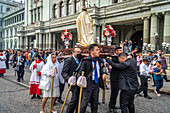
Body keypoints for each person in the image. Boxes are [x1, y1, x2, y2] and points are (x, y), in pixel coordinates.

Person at [77, 44, 107, 113]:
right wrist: (81, 79)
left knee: (95, 103)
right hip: (88, 84)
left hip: (96, 84)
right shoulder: (86, 61)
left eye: (98, 50)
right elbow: (79, 73)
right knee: (84, 103)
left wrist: (103, 73)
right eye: (97, 50)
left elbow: (102, 69)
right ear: (91, 51)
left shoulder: (99, 60)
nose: (99, 51)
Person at [62, 47, 82, 113]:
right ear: (73, 52)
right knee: (74, 99)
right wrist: (69, 78)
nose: (79, 53)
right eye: (77, 52)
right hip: (73, 82)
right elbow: (64, 72)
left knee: (80, 99)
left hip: (80, 82)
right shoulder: (69, 60)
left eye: (80, 52)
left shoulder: (80, 60)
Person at [108, 47, 122, 113]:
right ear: (116, 51)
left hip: (119, 77)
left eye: (121, 50)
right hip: (114, 77)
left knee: (116, 92)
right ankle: (111, 106)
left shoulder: (120, 58)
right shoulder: (114, 59)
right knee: (114, 92)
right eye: (119, 50)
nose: (121, 51)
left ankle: (113, 105)